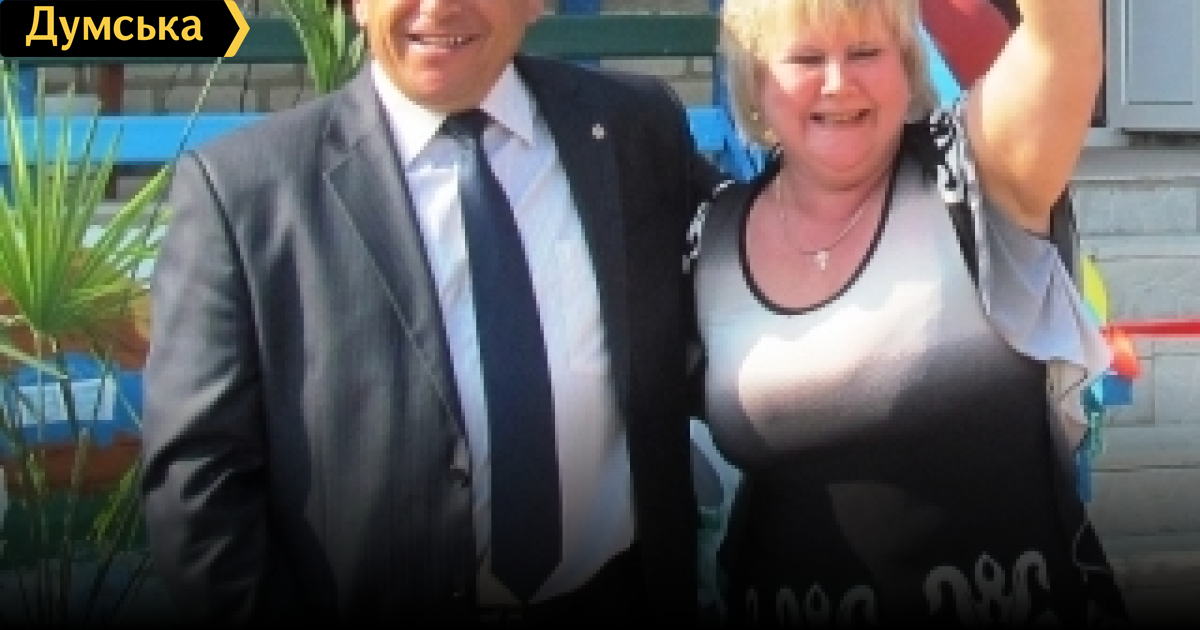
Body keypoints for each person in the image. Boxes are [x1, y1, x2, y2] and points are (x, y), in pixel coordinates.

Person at [139, 0, 721, 625]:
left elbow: (758, 249)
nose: (439, 7)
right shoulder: (247, 194)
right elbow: (198, 486)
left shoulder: (633, 128)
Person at [686, 0, 1129, 626]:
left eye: (866, 53)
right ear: (757, 84)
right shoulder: (707, 240)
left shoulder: (976, 178)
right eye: (806, 59)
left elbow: (1063, 43)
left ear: (908, 68)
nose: (838, 82)